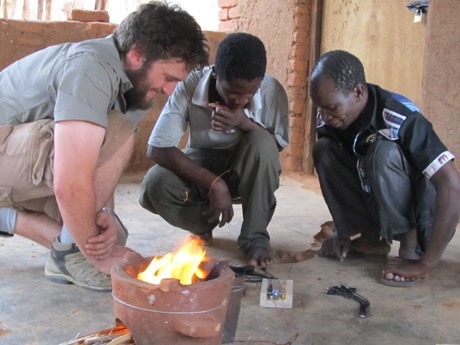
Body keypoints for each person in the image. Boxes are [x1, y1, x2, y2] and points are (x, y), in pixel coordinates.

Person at [0, 1, 209, 291]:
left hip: (16, 168)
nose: (170, 90)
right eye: (169, 78)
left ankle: (20, 226)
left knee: (106, 236)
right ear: (138, 55)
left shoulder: (134, 87)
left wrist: (106, 214)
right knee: (92, 245)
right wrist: (93, 257)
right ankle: (70, 256)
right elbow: (70, 182)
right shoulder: (91, 68)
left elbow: (101, 162)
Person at [310, 50, 460, 286]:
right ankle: (367, 239)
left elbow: (451, 185)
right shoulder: (331, 118)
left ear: (358, 92)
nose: (324, 117)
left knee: (383, 151)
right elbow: (347, 173)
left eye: (331, 108)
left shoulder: (400, 116)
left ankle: (412, 248)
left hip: (423, 218)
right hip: (377, 207)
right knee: (324, 149)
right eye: (320, 109)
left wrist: (428, 262)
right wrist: (343, 231)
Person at [139, 32, 290, 267]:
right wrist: (214, 184)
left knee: (261, 141)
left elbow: (276, 147)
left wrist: (244, 123)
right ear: (215, 73)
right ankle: (202, 224)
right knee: (154, 184)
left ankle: (255, 238)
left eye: (249, 93)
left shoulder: (271, 89)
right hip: (204, 168)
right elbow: (157, 148)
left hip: (248, 172)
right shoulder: (189, 86)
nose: (241, 100)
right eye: (233, 91)